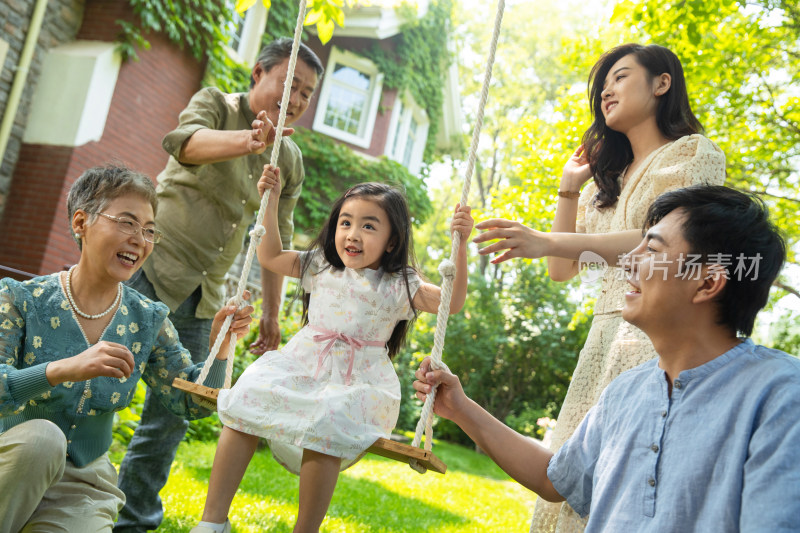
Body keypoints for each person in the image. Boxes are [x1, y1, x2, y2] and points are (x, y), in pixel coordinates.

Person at [418, 185, 799, 532]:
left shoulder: (780, 396)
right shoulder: (627, 390)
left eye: (651, 250)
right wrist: (460, 408)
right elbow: (556, 480)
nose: (627, 262)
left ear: (708, 283)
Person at [473, 43, 727, 531]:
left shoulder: (693, 155)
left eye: (621, 76)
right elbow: (562, 271)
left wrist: (545, 240)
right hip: (605, 336)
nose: (606, 90)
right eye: (602, 85)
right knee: (575, 470)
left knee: (632, 469)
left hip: (660, 336)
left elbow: (664, 243)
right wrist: (569, 188)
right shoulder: (604, 186)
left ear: (662, 83)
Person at [189, 168, 474, 533]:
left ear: (391, 241)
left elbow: (452, 302)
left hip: (358, 382)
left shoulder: (399, 283)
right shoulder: (320, 265)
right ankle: (213, 522)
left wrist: (460, 244)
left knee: (330, 418)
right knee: (245, 396)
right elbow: (271, 256)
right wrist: (271, 199)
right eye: (346, 222)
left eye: (369, 226)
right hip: (302, 365)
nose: (353, 234)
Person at [114, 38, 324, 532]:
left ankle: (133, 522)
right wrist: (247, 142)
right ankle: (62, 498)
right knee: (98, 384)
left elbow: (280, 239)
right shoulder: (216, 104)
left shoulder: (289, 159)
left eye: (307, 95)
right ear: (259, 73)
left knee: (171, 415)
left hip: (201, 297)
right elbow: (183, 142)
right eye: (290, 84)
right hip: (149, 270)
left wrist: (273, 314)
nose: (295, 99)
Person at [0, 165, 253, 532]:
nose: (140, 239)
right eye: (127, 222)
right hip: (11, 463)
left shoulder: (146, 319)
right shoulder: (21, 300)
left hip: (81, 487)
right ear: (81, 222)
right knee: (43, 438)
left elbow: (191, 401)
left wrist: (220, 347)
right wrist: (65, 369)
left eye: (149, 230)